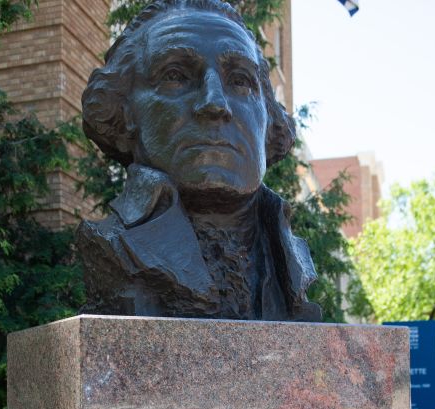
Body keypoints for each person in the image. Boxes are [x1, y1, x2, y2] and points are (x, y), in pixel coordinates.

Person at [77, 0, 321, 321]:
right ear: (125, 114)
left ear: (269, 123)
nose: (215, 103)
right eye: (175, 75)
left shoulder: (292, 260)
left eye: (239, 80)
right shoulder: (113, 246)